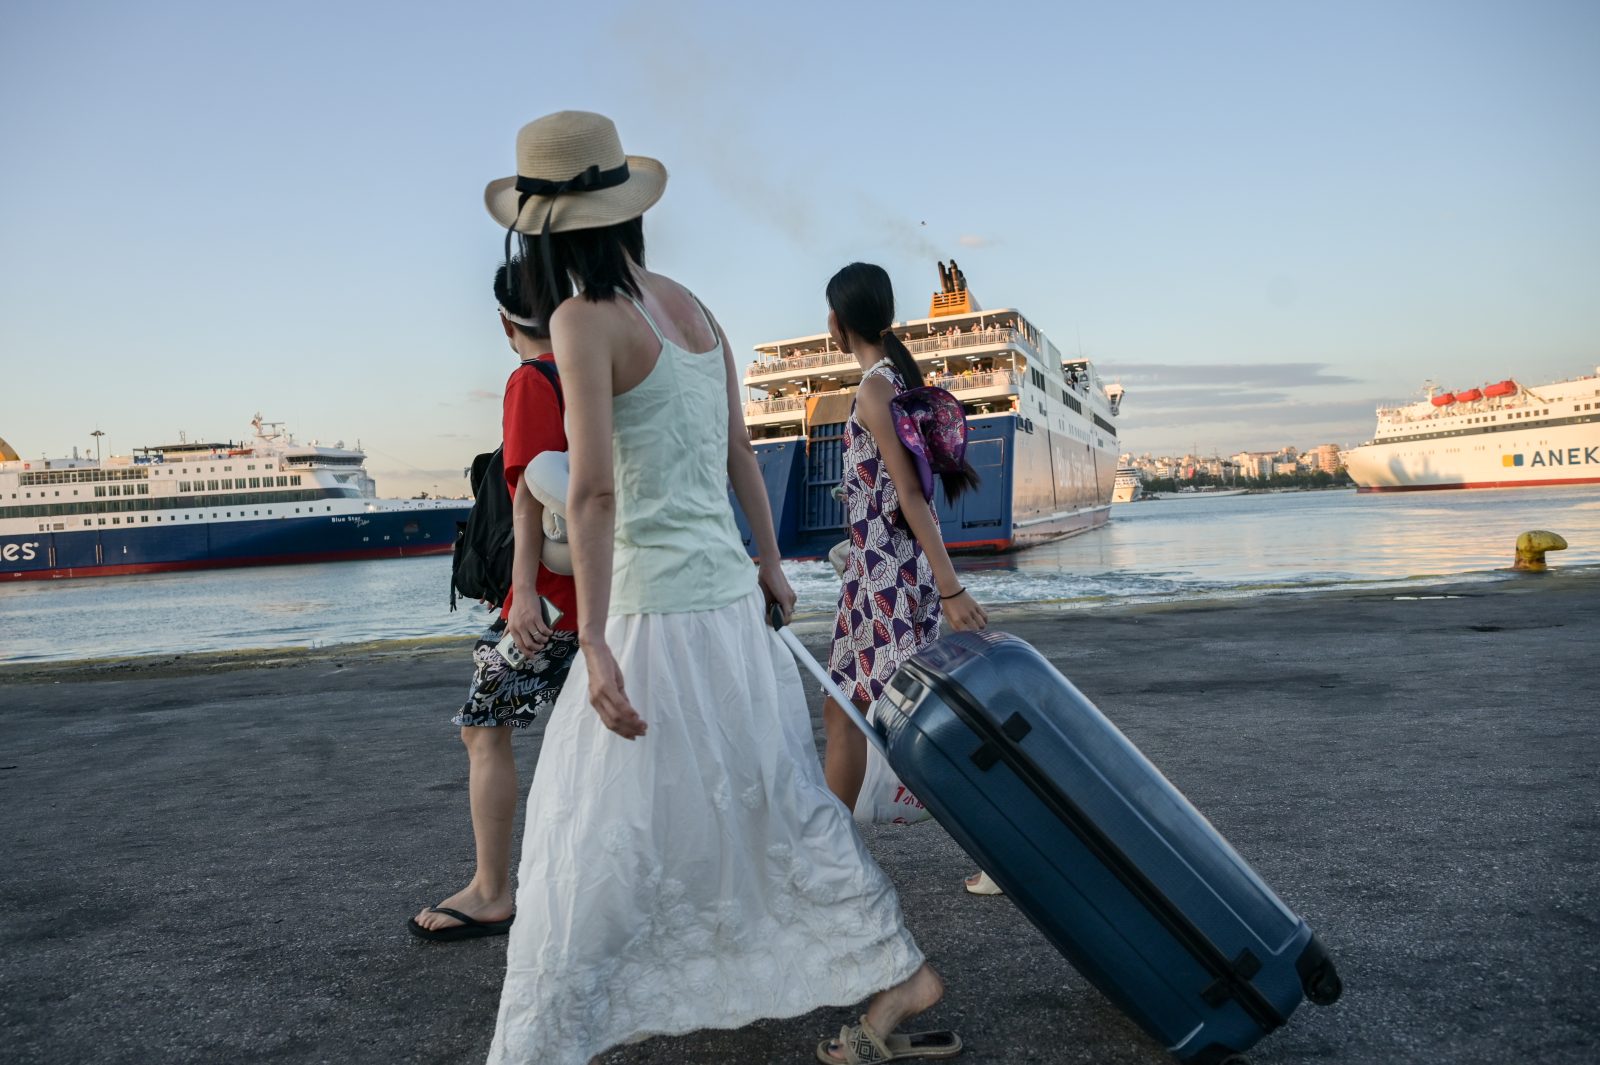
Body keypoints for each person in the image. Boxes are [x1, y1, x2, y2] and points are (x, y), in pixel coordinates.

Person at [480, 112, 958, 1065]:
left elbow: (597, 486)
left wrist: (602, 638)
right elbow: (741, 450)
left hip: (655, 613)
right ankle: (895, 969)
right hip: (730, 607)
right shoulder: (694, 307)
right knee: (774, 798)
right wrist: (772, 562)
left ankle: (541, 1046)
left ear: (543, 232)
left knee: (592, 829)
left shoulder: (580, 320)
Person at [409, 262, 580, 942]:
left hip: (551, 603)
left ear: (506, 323)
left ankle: (491, 889)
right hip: (598, 593)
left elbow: (529, 492)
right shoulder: (596, 374)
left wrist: (525, 594)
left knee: (483, 729)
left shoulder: (531, 379)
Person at [821, 263, 988, 814]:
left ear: (838, 322)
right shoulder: (893, 381)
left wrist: (950, 588)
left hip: (887, 578)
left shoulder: (875, 391)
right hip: (869, 573)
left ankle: (999, 841)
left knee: (917, 718)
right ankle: (834, 847)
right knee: (843, 708)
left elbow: (911, 495)